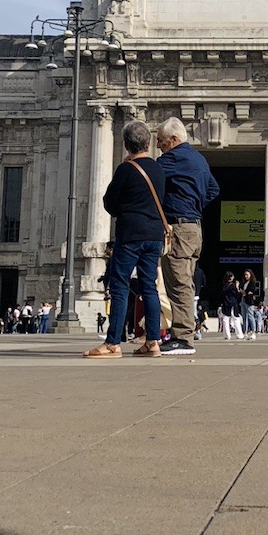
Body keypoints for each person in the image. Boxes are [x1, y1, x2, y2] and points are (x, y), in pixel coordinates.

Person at [84, 120, 166, 358]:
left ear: (126, 145)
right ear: (148, 143)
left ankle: (112, 343)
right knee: (149, 287)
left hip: (130, 235)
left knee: (119, 286)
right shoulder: (159, 169)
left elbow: (109, 203)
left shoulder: (126, 169)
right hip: (154, 235)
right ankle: (153, 341)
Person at [155, 117, 220, 356]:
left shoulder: (172, 159)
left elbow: (149, 175)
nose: (159, 146)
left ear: (173, 140)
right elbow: (214, 189)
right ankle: (181, 334)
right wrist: (194, 205)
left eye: (161, 141)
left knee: (178, 282)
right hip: (194, 228)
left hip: (179, 229)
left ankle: (183, 337)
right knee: (185, 281)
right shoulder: (199, 159)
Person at [218, 271, 244, 340]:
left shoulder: (224, 285)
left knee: (226, 319)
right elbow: (237, 295)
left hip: (225, 303)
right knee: (236, 319)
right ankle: (239, 334)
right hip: (233, 303)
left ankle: (226, 335)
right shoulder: (233, 286)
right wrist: (237, 287)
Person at [241, 269, 261, 340]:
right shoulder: (244, 283)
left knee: (250, 316)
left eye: (247, 275)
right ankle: (245, 332)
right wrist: (245, 292)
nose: (246, 276)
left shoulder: (252, 282)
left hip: (249, 301)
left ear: (250, 275)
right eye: (245, 275)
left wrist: (245, 292)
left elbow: (251, 290)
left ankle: (253, 332)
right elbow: (245, 292)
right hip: (243, 299)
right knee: (244, 316)